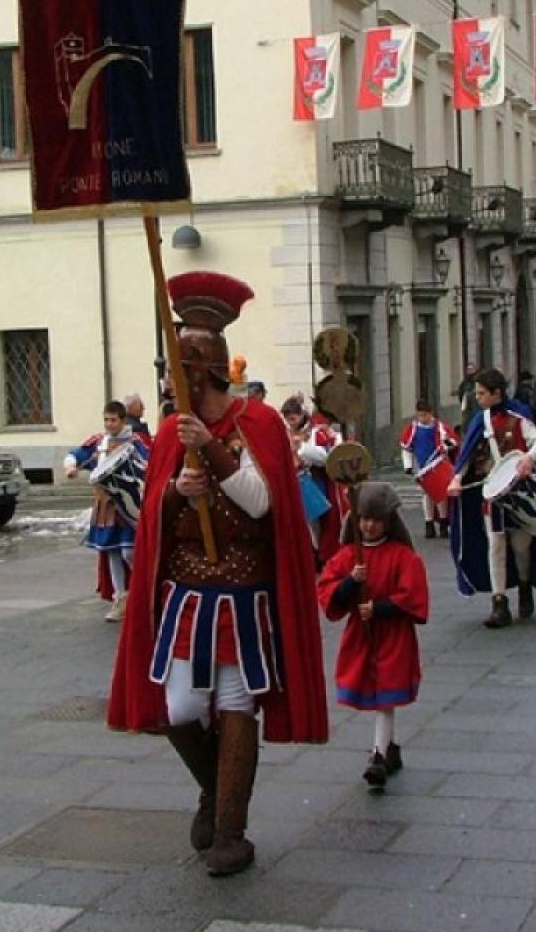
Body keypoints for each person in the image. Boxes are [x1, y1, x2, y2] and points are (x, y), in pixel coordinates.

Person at [108, 270, 327, 877]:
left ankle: (232, 828)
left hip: (243, 594)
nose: (173, 384)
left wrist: (218, 450)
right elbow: (151, 513)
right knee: (179, 708)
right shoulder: (169, 436)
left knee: (236, 705)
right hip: (188, 596)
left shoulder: (257, 425)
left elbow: (263, 504)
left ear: (205, 370)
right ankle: (215, 790)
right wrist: (177, 490)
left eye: (183, 371)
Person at [317, 483, 429, 792]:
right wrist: (350, 584)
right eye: (363, 518)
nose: (368, 525)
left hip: (392, 635)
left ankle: (378, 755)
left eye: (376, 519)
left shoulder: (401, 556)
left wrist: (380, 608)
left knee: (385, 695)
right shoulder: (349, 556)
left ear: (389, 521)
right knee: (380, 693)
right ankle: (390, 749)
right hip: (362, 635)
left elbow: (413, 594)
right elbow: (327, 588)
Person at [447, 367, 536, 629]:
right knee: (495, 544)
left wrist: (529, 458)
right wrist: (457, 478)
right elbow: (468, 453)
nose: (478, 398)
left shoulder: (520, 416)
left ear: (497, 393)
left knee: (521, 547)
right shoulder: (480, 420)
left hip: (519, 490)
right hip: (492, 492)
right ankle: (499, 603)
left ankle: (525, 585)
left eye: (482, 393)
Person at [65, 401, 152, 622]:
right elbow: (75, 454)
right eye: (106, 419)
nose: (109, 424)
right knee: (111, 551)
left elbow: (149, 464)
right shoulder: (99, 442)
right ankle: (120, 596)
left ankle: (143, 588)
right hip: (106, 505)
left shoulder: (135, 442)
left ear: (122, 420)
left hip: (129, 504)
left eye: (113, 420)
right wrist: (70, 467)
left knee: (129, 552)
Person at [283, 395, 344, 565]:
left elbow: (326, 457)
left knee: (315, 519)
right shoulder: (285, 433)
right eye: (288, 419)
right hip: (294, 481)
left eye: (293, 418)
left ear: (302, 415)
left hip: (314, 481)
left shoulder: (317, 432)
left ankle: (318, 551)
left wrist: (301, 449)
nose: (291, 422)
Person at [399, 399, 459, 538]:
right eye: (420, 415)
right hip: (422, 468)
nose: (423, 418)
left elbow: (452, 441)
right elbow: (406, 448)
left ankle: (444, 522)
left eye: (425, 415)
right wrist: (408, 465)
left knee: (441, 494)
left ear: (431, 413)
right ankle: (429, 523)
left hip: (438, 464)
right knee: (427, 495)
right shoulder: (413, 429)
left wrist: (446, 445)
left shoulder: (439, 427)